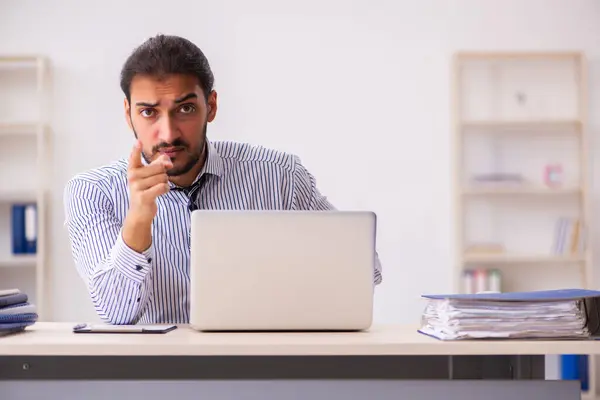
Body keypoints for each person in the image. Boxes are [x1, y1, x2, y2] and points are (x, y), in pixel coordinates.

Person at [63, 34, 382, 325]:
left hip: (263, 371)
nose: (169, 132)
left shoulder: (279, 175)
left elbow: (363, 270)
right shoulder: (92, 192)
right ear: (128, 113)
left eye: (185, 108)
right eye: (148, 112)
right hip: (154, 380)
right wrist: (138, 220)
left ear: (211, 106)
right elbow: (116, 314)